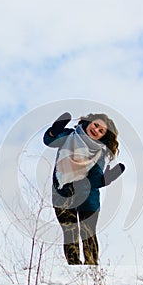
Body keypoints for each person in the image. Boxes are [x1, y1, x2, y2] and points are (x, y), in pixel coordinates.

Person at [43, 112, 125, 265]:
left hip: (88, 198)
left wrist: (105, 180)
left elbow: (94, 178)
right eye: (96, 125)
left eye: (101, 131)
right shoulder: (69, 136)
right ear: (89, 122)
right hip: (62, 194)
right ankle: (74, 268)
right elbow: (50, 141)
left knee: (88, 233)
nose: (96, 130)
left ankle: (92, 269)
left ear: (102, 137)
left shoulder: (99, 153)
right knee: (70, 231)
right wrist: (54, 130)